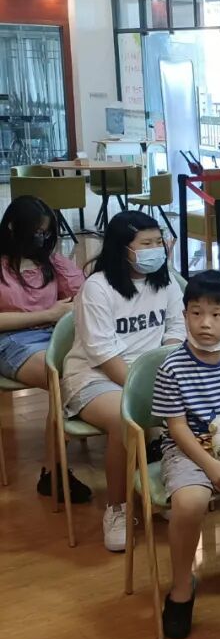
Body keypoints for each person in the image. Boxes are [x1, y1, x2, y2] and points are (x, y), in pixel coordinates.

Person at [62, 211, 184, 551]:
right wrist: (145, 393)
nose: (156, 249)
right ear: (122, 248)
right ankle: (117, 508)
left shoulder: (167, 282)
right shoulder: (97, 288)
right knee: (124, 419)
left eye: (159, 242)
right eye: (146, 244)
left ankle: (168, 488)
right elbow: (103, 354)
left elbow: (176, 329)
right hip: (95, 376)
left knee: (189, 406)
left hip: (149, 373)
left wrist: (166, 373)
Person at [150, 270, 220, 639]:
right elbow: (177, 429)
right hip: (190, 450)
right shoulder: (173, 366)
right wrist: (211, 466)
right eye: (196, 313)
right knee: (189, 503)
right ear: (184, 315)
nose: (205, 323)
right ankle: (181, 587)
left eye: (217, 314)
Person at [0, 196, 87, 501]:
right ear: (13, 227)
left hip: (52, 335)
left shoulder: (49, 263)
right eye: (36, 232)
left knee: (91, 366)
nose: (42, 238)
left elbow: (83, 294)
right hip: (10, 341)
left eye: (46, 233)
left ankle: (142, 444)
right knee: (61, 377)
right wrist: (48, 314)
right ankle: (53, 471)